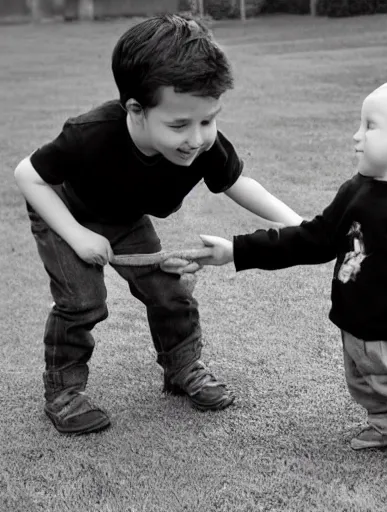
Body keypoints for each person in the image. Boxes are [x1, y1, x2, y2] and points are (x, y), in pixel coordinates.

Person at [14, 14, 303, 435]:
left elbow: (238, 183)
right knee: (82, 300)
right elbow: (28, 175)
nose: (198, 138)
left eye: (208, 119)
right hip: (64, 211)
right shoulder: (89, 134)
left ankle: (182, 368)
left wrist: (299, 224)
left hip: (124, 218)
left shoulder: (203, 144)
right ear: (136, 109)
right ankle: (64, 391)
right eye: (179, 125)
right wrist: (77, 236)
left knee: (169, 291)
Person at [180, 80, 387, 463]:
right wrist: (237, 251)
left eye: (370, 126)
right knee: (364, 381)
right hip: (354, 322)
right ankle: (382, 423)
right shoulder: (355, 191)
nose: (356, 136)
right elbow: (313, 238)